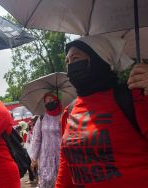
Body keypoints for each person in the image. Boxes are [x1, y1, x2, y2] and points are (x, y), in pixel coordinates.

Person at [56, 35, 148, 187]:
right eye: (67, 61)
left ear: (99, 59)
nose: (70, 65)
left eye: (75, 58)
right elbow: (66, 166)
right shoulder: (69, 111)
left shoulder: (133, 96)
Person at [29, 93, 62, 188]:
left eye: (51, 100)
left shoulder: (64, 115)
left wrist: (63, 124)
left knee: (61, 182)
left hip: (61, 156)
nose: (48, 103)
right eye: (46, 101)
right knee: (47, 181)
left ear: (57, 100)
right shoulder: (42, 118)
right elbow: (36, 138)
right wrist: (34, 159)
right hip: (46, 158)